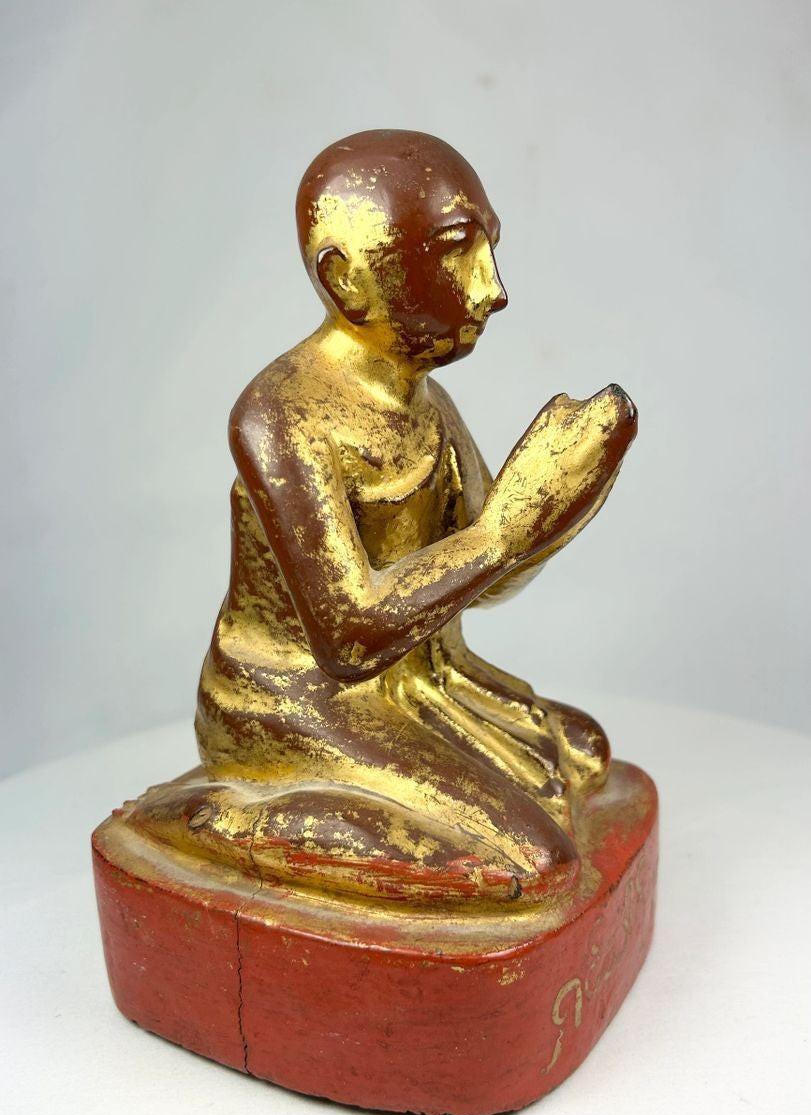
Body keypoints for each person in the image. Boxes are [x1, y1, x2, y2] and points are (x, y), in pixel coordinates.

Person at [132, 130, 637, 905]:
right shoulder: (281, 415)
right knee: (532, 869)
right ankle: (224, 816)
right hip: (296, 701)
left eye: (490, 248)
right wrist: (504, 530)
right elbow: (348, 637)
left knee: (584, 755)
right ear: (347, 278)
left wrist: (568, 492)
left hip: (422, 682)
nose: (492, 288)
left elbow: (490, 579)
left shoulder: (430, 404)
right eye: (456, 253)